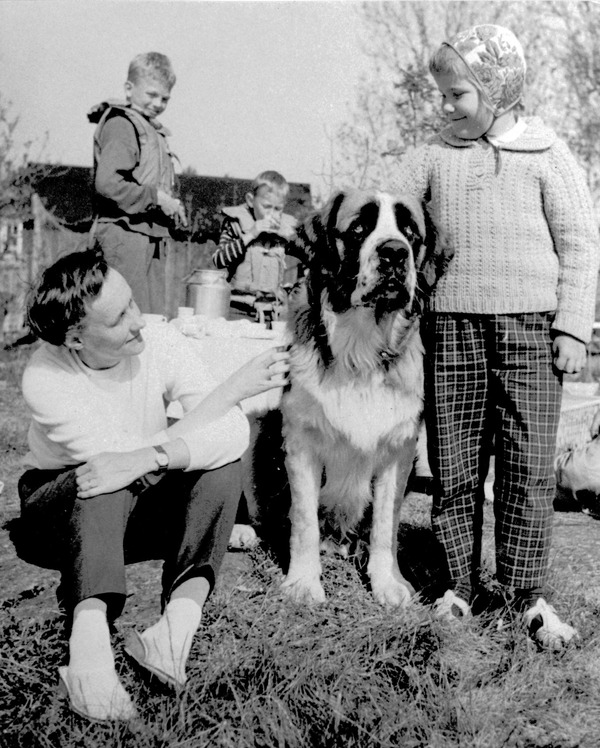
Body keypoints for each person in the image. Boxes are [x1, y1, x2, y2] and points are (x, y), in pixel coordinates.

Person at [389, 24, 599, 648]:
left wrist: (572, 327)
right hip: (451, 327)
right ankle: (458, 585)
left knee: (528, 466)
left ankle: (523, 595)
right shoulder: (430, 155)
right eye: (442, 94)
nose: (445, 105)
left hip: (532, 332)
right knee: (454, 461)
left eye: (457, 94)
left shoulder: (548, 153)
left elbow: (580, 245)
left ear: (499, 90)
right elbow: (390, 213)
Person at [17, 248, 289, 721]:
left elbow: (229, 433)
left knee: (219, 464)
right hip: (61, 514)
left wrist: (158, 453)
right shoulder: (45, 377)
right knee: (101, 477)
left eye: (132, 303)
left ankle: (175, 628)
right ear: (76, 338)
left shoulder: (158, 339)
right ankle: (88, 646)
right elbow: (114, 464)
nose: (138, 320)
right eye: (119, 318)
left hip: (133, 504)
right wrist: (228, 393)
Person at [87, 51, 186, 316]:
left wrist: (170, 204)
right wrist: (156, 198)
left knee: (149, 320)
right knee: (123, 317)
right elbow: (108, 183)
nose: (158, 103)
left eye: (165, 98)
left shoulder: (150, 129)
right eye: (151, 94)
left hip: (149, 235)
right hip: (124, 234)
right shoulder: (122, 125)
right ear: (129, 89)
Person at [212, 170, 299, 321]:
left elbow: (312, 258)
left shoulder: (286, 230)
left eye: (278, 209)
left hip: (272, 312)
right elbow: (218, 260)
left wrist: (291, 238)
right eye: (266, 206)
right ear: (251, 200)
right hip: (237, 311)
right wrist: (250, 234)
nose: (271, 214)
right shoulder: (235, 224)